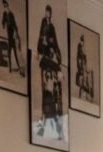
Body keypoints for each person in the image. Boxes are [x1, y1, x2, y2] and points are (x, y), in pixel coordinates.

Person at [37, 5, 64, 139]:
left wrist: (56, 53)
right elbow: (41, 39)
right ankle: (45, 123)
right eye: (46, 11)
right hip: (46, 58)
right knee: (47, 93)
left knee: (53, 94)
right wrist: (42, 48)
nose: (47, 14)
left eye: (49, 12)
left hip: (50, 59)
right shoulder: (43, 23)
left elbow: (55, 41)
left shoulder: (51, 27)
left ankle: (54, 126)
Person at [2, 0, 22, 74]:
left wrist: (16, 32)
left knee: (14, 50)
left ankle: (18, 66)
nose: (5, 7)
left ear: (8, 6)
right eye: (4, 6)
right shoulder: (4, 14)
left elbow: (14, 24)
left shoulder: (11, 14)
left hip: (12, 33)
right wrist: (4, 24)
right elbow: (3, 21)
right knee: (9, 50)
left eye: (6, 6)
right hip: (8, 34)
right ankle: (10, 67)